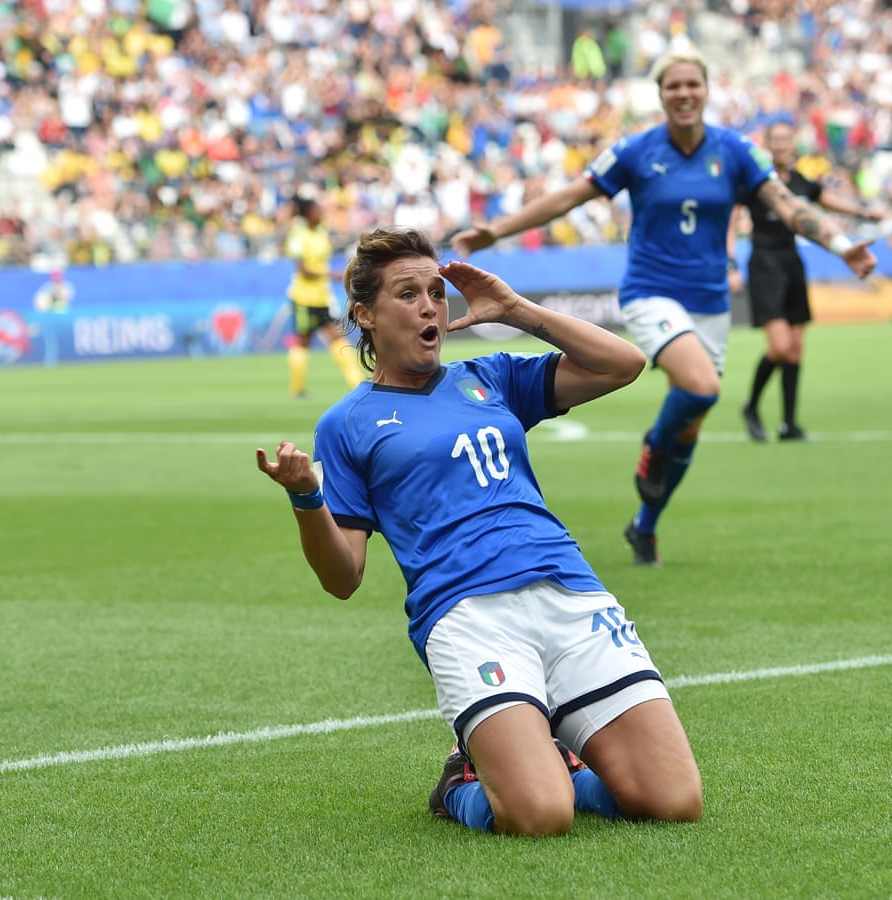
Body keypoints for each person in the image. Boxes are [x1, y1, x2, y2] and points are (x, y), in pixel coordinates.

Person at [257, 227, 703, 836]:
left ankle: (558, 761)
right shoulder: (347, 424)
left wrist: (516, 310)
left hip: (569, 591)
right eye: (407, 294)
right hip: (467, 615)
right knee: (540, 815)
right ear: (364, 315)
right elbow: (343, 577)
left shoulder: (491, 377)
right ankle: (460, 785)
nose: (429, 307)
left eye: (436, 294)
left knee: (673, 800)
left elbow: (623, 364)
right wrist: (306, 498)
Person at [451, 48, 877, 566]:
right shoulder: (635, 150)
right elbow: (569, 197)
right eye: (673, 85)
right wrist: (495, 230)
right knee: (701, 387)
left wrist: (840, 243)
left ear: (707, 90)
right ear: (660, 94)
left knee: (692, 423)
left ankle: (645, 525)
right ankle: (653, 445)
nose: (684, 93)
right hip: (652, 292)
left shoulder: (736, 150)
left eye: (692, 84)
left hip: (711, 302)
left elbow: (786, 203)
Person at [729, 120, 888, 442]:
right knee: (779, 347)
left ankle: (789, 425)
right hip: (764, 264)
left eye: (787, 139)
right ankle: (752, 406)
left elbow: (825, 199)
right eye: (776, 139)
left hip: (792, 263)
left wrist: (864, 213)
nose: (782, 145)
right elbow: (731, 221)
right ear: (768, 145)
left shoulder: (801, 180)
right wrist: (730, 263)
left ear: (793, 144)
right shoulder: (757, 181)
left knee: (795, 349)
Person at [284, 193, 364, 397]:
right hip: (303, 298)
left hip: (322, 297)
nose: (320, 213)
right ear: (307, 214)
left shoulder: (321, 232)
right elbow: (303, 270)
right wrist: (329, 274)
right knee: (303, 341)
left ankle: (356, 383)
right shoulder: (298, 236)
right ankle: (297, 388)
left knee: (336, 337)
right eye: (316, 210)